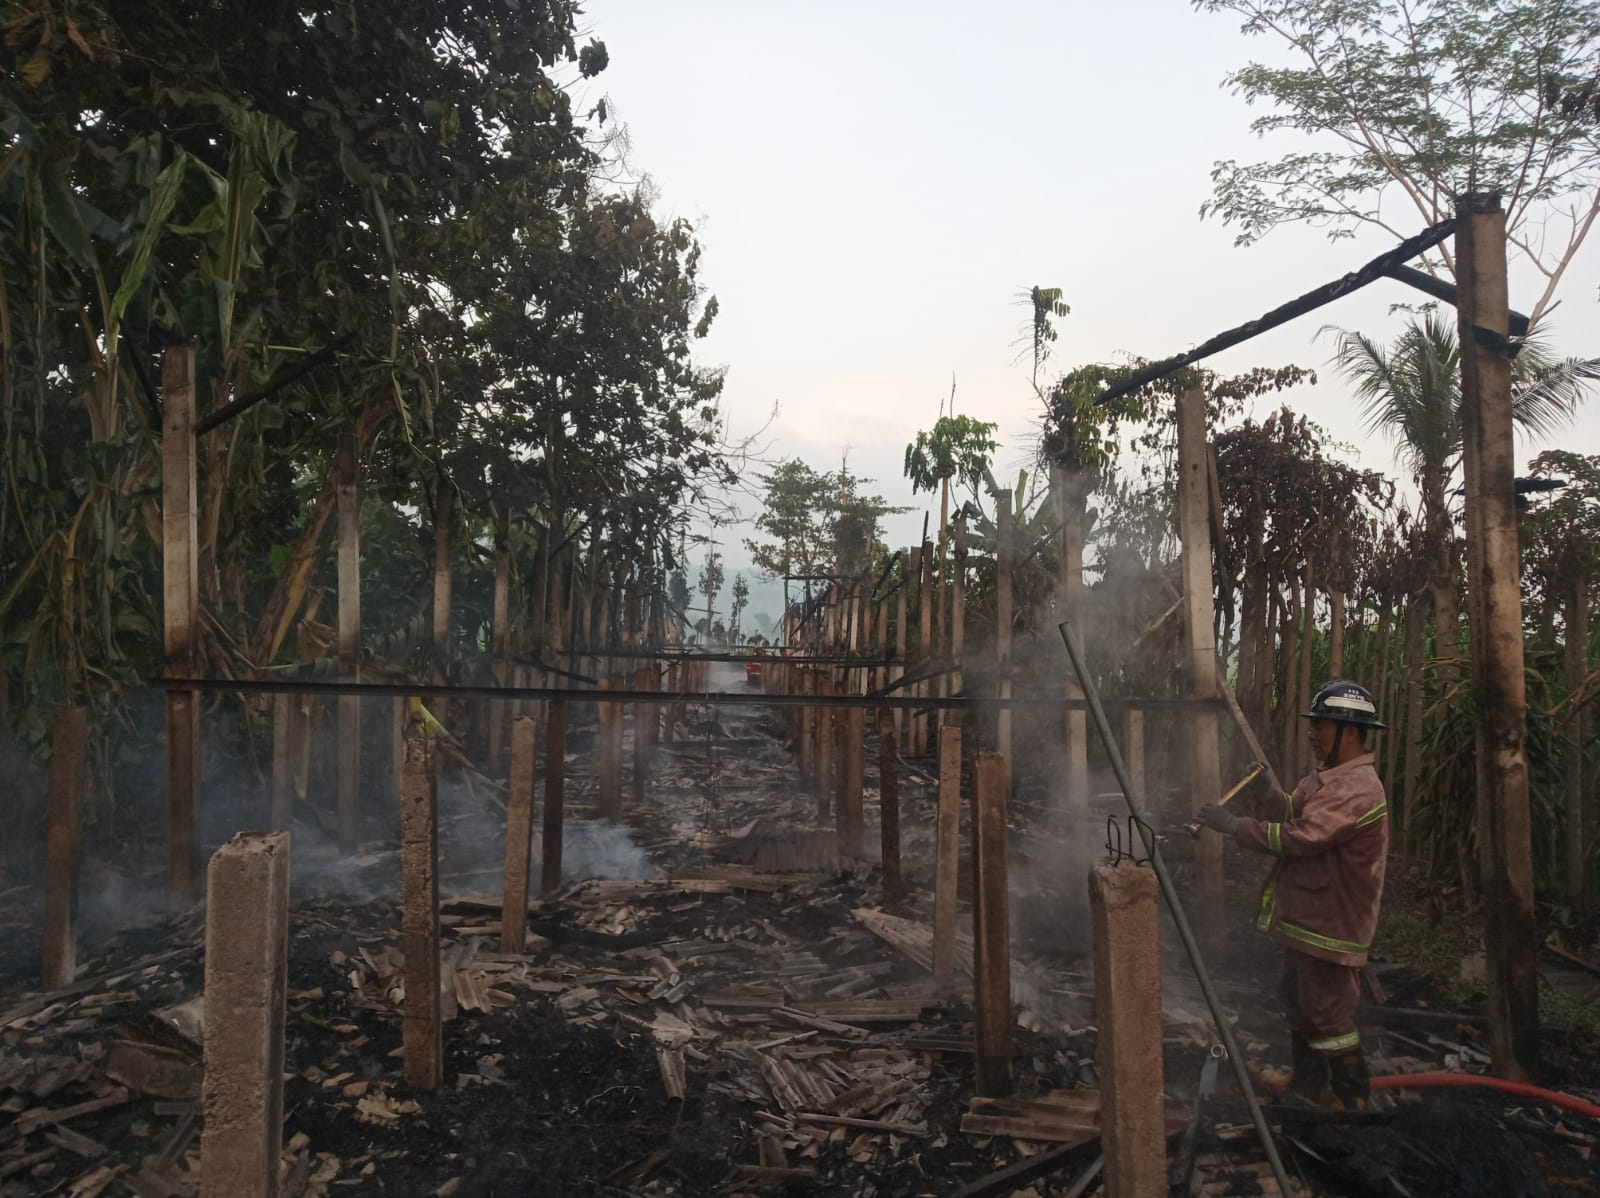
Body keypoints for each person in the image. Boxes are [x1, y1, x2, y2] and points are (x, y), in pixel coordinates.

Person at [1196, 680, 1390, 1109]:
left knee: (1328, 1014)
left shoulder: (1357, 789)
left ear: (1349, 731)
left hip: (1333, 922)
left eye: (1319, 726)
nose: (1311, 734)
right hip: (1308, 917)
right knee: (1300, 1002)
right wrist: (1267, 793)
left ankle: (1349, 1100)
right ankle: (1308, 1087)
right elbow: (1293, 814)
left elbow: (1301, 837)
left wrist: (1232, 826)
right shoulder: (1325, 780)